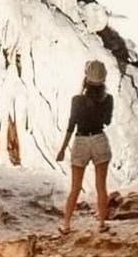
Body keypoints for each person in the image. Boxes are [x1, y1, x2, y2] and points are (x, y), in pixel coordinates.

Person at [56, 59, 113, 234]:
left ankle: (66, 225)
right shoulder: (108, 99)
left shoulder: (77, 100)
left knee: (75, 187)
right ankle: (102, 224)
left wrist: (63, 149)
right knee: (101, 186)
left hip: (81, 142)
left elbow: (71, 126)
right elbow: (107, 121)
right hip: (99, 140)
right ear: (103, 80)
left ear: (86, 78)